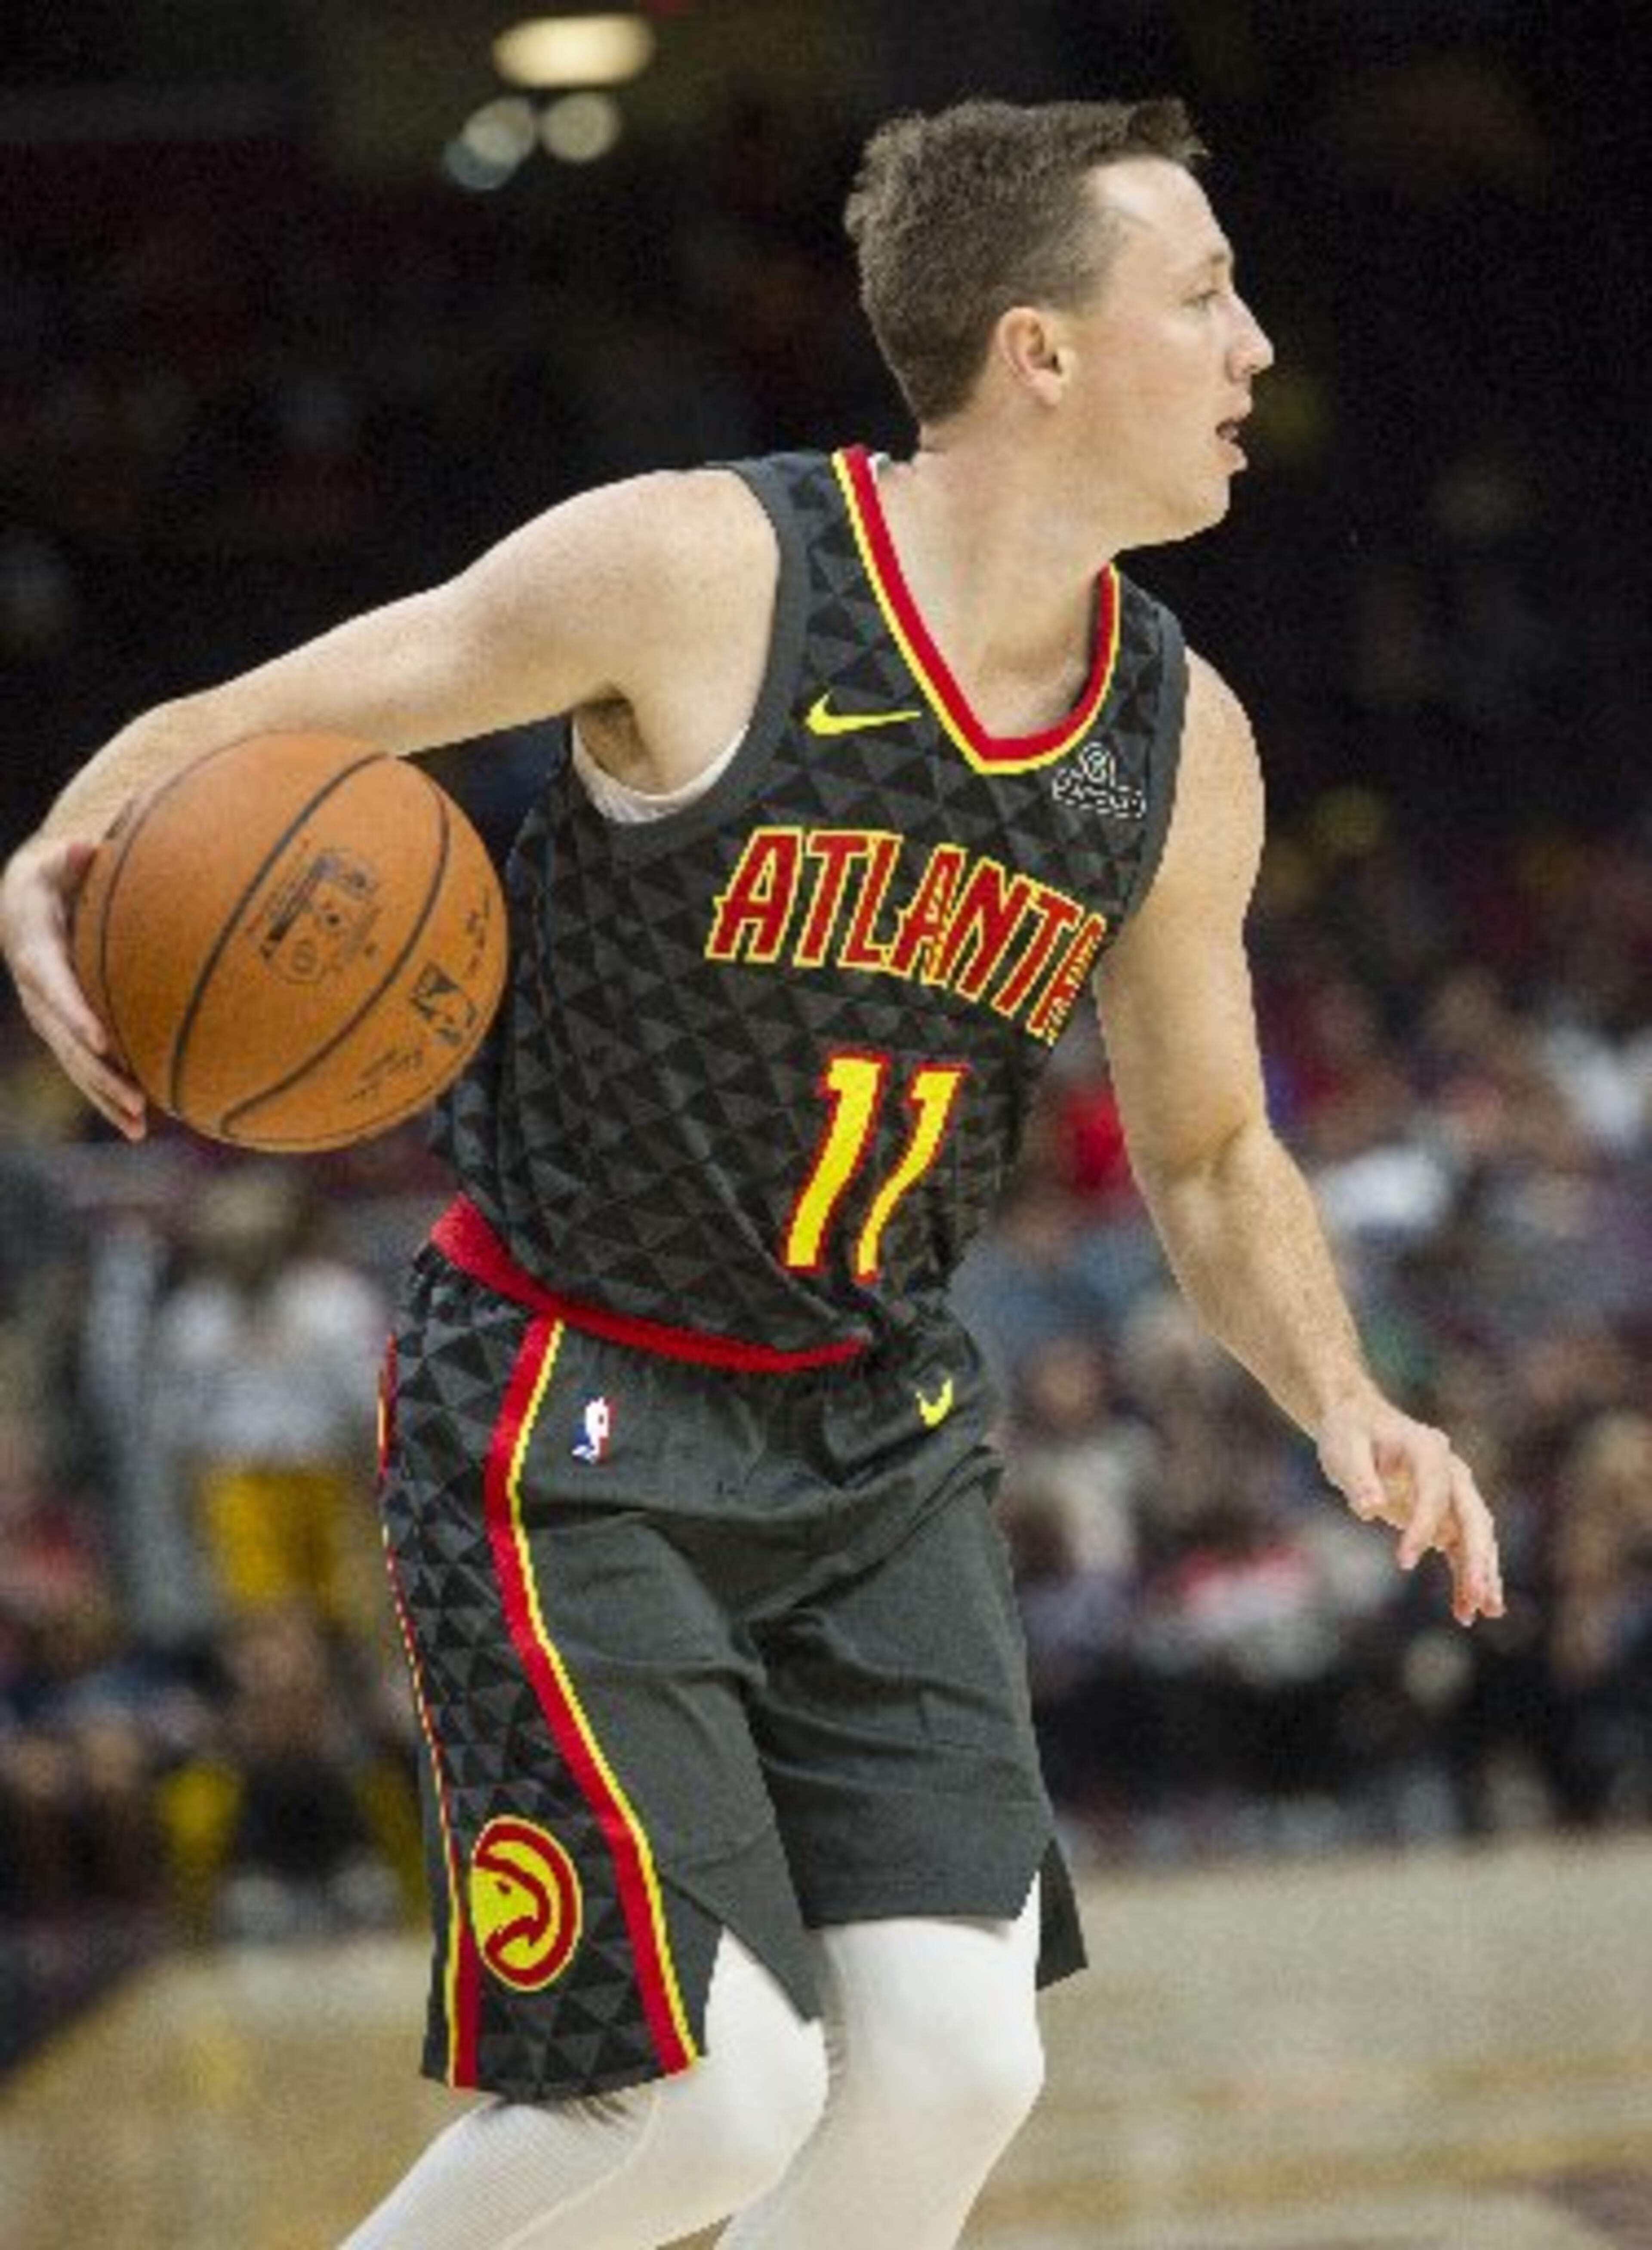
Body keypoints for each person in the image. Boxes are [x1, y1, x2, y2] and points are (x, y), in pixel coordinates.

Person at [0, 95, 1504, 2250]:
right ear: (1040, 351)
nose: (1258, 343)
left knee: (964, 2065)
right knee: (699, 2102)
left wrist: (1349, 1399)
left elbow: (1207, 1146)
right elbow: (278, 719)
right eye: (1203, 294)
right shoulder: (705, 571)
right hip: (572, 1404)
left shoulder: (1186, 748)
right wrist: (69, 835)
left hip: (872, 1434)